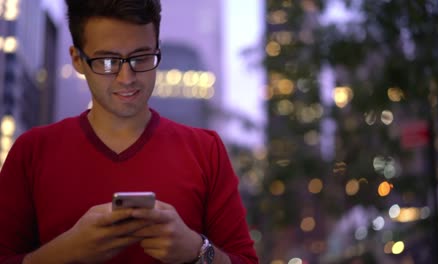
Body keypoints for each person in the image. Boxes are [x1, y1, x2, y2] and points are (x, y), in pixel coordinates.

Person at [0, 0, 258, 263]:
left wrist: (197, 250)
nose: (127, 77)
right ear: (78, 59)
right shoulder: (32, 151)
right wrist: (62, 254)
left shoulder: (206, 151)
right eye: (108, 61)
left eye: (141, 57)